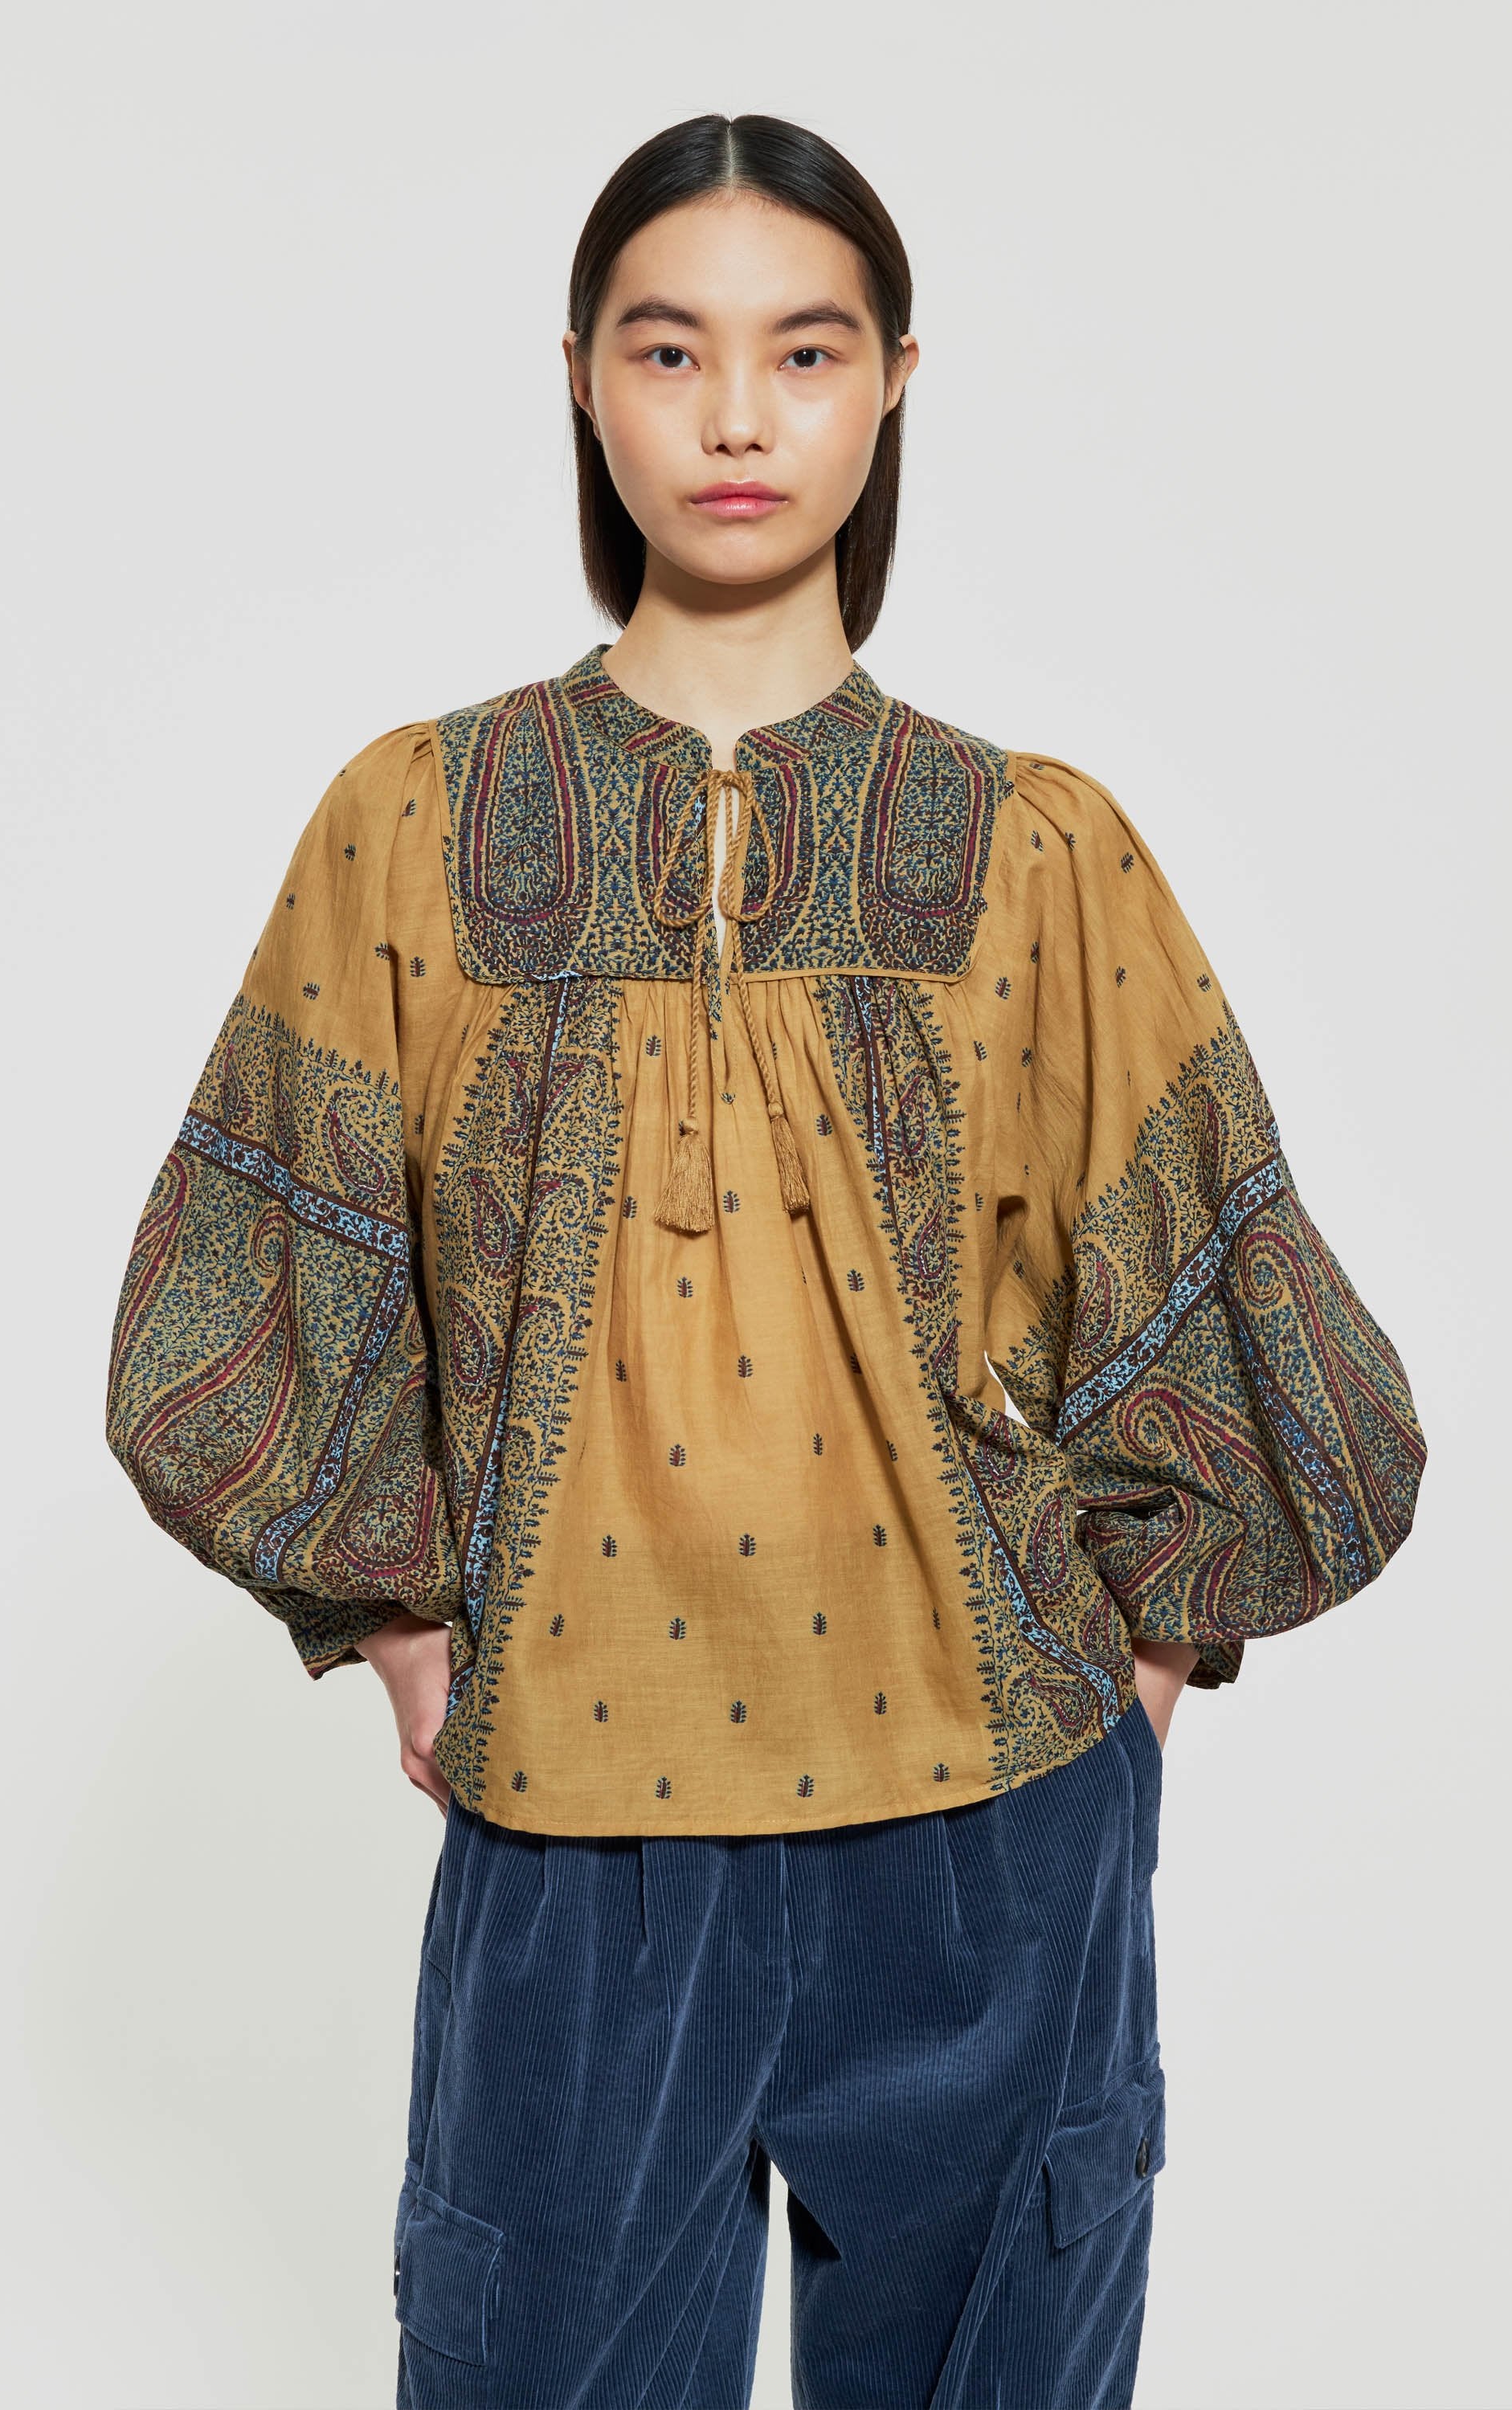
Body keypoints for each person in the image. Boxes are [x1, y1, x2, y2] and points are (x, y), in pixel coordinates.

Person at [104, 112, 1425, 2410]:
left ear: (894, 380)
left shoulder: (1035, 846)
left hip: (991, 1835)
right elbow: (242, 1272)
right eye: (670, 349)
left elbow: (1230, 1302)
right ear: (582, 380)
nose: (737, 415)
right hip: (574, 1839)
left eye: (804, 352)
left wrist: (1131, 1701)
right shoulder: (415, 820)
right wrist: (405, 1622)